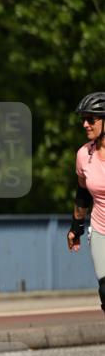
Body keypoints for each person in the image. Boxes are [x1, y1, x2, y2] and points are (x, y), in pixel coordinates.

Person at [67, 92, 105, 315]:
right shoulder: (84, 155)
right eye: (83, 119)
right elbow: (83, 193)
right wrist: (76, 226)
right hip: (101, 230)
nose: (85, 124)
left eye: (91, 119)